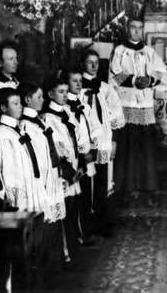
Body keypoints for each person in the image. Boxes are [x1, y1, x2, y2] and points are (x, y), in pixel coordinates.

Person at [109, 19, 166, 193]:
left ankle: (148, 185)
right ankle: (127, 185)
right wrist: (134, 80)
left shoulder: (149, 51)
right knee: (128, 145)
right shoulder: (119, 51)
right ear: (127, 29)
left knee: (146, 146)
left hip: (145, 104)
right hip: (126, 101)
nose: (136, 31)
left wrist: (149, 80)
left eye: (140, 28)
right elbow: (115, 74)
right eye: (133, 27)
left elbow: (160, 72)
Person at [79, 52, 125, 231]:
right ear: (82, 64)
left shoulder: (105, 88)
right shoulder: (77, 88)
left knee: (102, 179)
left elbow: (116, 116)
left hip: (104, 140)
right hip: (86, 140)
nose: (93, 66)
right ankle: (86, 223)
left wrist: (113, 141)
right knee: (86, 181)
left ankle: (102, 218)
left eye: (96, 63)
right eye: (89, 62)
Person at [41, 77, 82, 262]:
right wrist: (69, 171)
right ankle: (65, 254)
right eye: (61, 92)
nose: (65, 95)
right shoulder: (48, 118)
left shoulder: (66, 112)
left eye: (67, 91)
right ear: (50, 94)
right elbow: (54, 149)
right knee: (65, 213)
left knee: (73, 211)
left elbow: (75, 139)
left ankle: (74, 250)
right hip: (63, 173)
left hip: (73, 168)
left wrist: (79, 163)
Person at [0, 88, 49, 212]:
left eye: (20, 103)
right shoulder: (1, 135)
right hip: (19, 195)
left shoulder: (17, 131)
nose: (21, 107)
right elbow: (7, 171)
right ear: (3, 108)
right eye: (15, 103)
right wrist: (13, 199)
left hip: (31, 186)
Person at [18, 82, 66, 223]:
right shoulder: (25, 126)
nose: (43, 100)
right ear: (27, 99)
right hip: (41, 180)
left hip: (51, 176)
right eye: (39, 97)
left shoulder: (40, 122)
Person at [64, 69, 102, 242]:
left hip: (88, 156)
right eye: (74, 81)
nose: (79, 84)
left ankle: (86, 231)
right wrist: (81, 155)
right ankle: (79, 235)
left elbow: (95, 128)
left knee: (88, 195)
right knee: (77, 197)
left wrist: (93, 150)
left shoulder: (85, 106)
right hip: (77, 158)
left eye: (80, 81)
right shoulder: (65, 109)